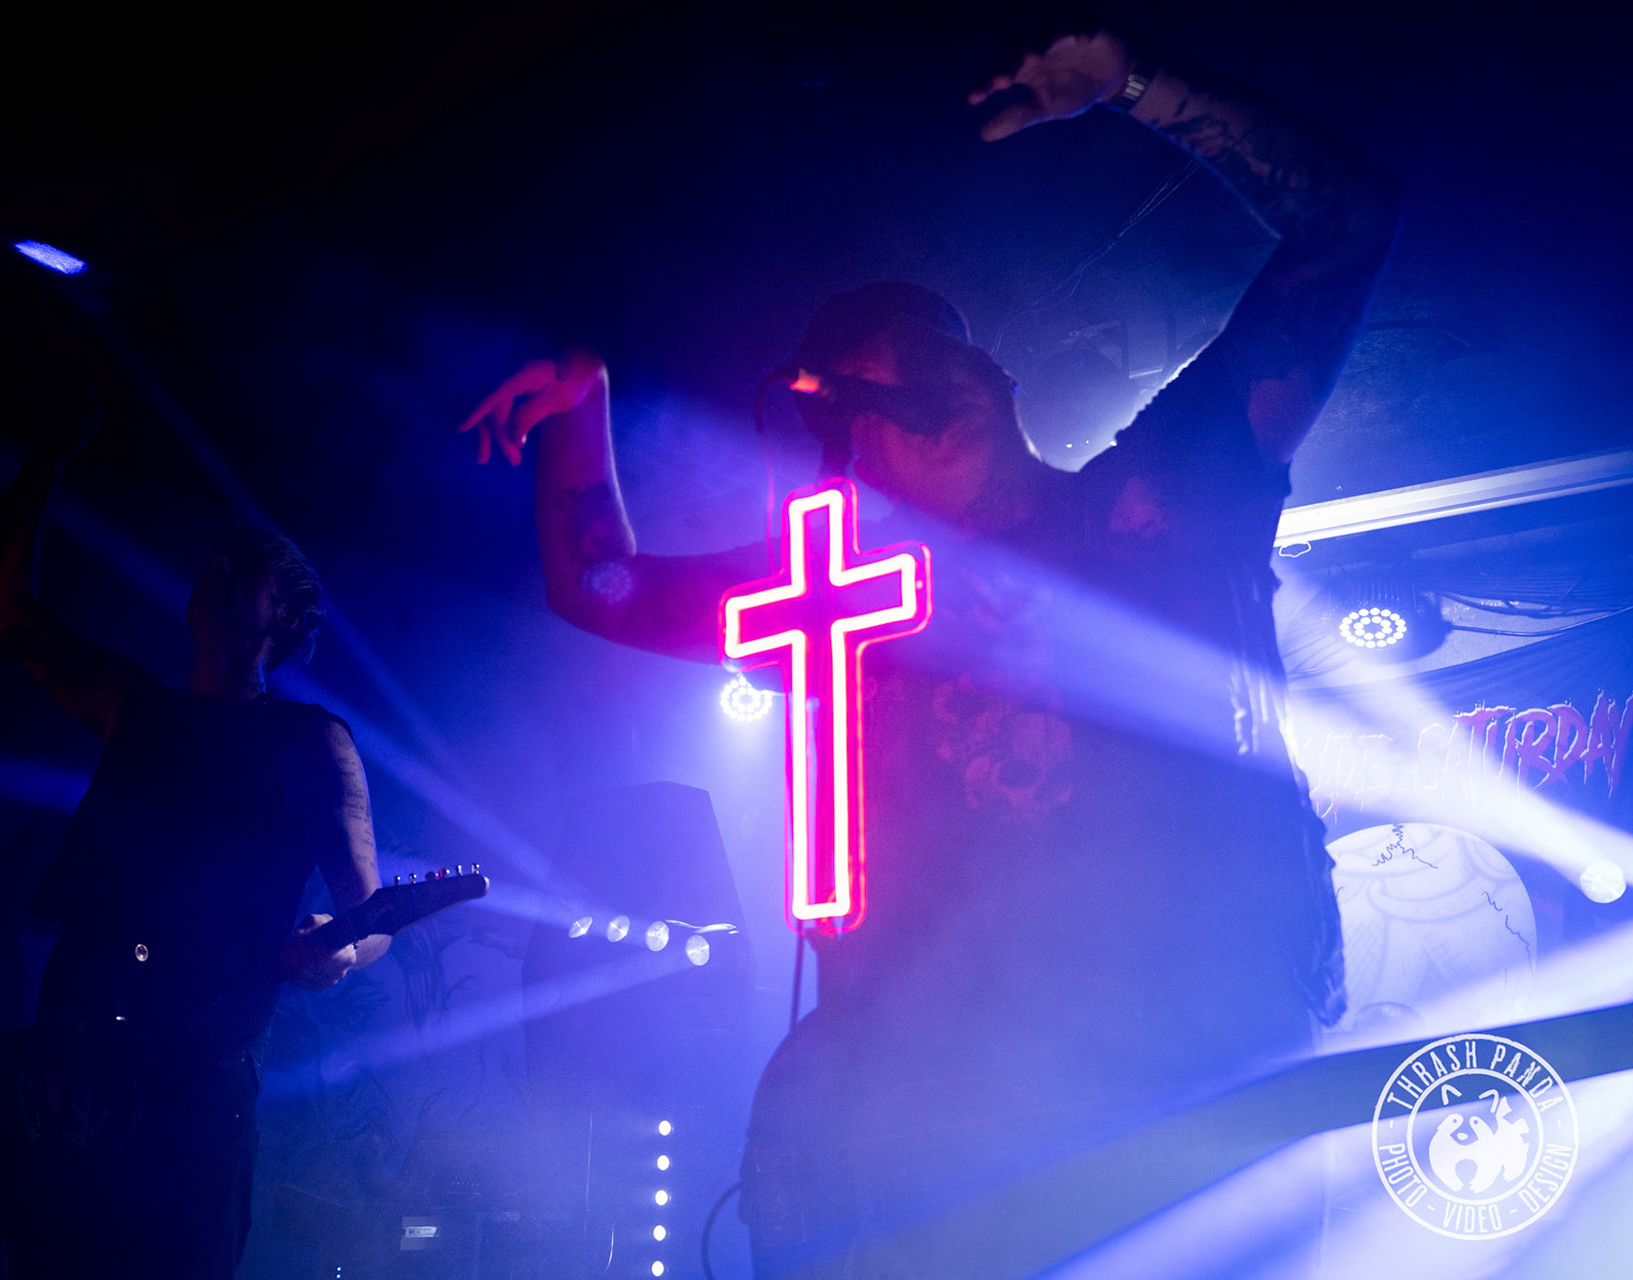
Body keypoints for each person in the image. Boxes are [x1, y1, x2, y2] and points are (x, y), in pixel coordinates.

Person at [460, 27, 1400, 1277]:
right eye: (855, 397)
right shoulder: (837, 601)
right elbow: (600, 587)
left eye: (924, 365)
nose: (901, 399)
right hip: (938, 1142)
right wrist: (583, 408)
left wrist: (1132, 87)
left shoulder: (1152, 507)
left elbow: (1348, 226)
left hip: (1192, 1094)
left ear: (991, 377)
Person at [0, 406, 391, 1279]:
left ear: (286, 620)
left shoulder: (311, 742)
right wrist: (45, 457)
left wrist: (337, 950)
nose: (219, 573)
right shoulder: (139, 707)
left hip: (196, 1082)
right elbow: (5, 606)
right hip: (71, 1065)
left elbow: (373, 917)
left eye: (247, 571)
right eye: (215, 563)